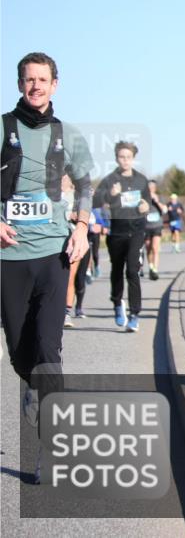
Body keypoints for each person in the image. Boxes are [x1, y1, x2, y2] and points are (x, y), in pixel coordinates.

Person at [1, 52, 94, 428]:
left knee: (49, 346)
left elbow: (86, 185)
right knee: (20, 353)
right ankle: (32, 385)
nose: (35, 86)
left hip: (55, 252)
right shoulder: (4, 127)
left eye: (42, 79)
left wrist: (83, 228)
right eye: (29, 79)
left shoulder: (68, 135)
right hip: (9, 257)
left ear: (54, 85)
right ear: (20, 84)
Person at [93, 141, 151, 332]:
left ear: (133, 158)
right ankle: (118, 303)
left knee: (132, 271)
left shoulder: (141, 180)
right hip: (116, 231)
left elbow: (147, 203)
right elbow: (95, 200)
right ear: (116, 158)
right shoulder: (110, 179)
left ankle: (135, 314)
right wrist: (110, 194)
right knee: (117, 270)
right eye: (121, 157)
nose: (125, 160)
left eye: (128, 157)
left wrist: (145, 207)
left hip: (136, 230)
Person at [62, 176, 92, 327]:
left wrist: (76, 216)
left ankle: (67, 312)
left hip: (72, 238)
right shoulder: (48, 192)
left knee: (70, 276)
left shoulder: (77, 196)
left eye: (66, 177)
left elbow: (88, 216)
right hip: (52, 238)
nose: (63, 179)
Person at [143, 179, 167, 280]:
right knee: (148, 247)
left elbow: (165, 210)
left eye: (152, 187)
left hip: (157, 226)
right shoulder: (143, 199)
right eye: (149, 187)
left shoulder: (160, 197)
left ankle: (155, 270)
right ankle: (151, 266)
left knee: (155, 248)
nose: (151, 189)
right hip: (146, 226)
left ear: (155, 188)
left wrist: (157, 201)